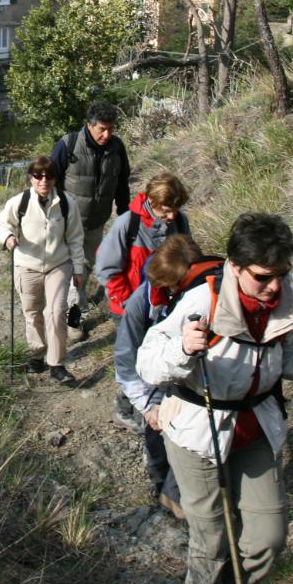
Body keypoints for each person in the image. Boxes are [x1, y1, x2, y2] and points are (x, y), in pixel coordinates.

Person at [137, 213, 293, 584]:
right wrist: (183, 348)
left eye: (282, 275)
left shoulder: (288, 300)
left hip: (254, 427)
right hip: (196, 430)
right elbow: (148, 364)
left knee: (268, 537)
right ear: (235, 267)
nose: (274, 286)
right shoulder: (201, 302)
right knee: (212, 537)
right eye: (264, 277)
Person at [113, 232, 206, 521]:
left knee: (190, 440)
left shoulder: (208, 293)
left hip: (193, 384)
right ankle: (162, 489)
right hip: (152, 385)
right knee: (157, 440)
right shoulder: (141, 305)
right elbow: (127, 364)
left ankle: (176, 496)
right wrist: (149, 406)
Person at [97, 171, 192, 433]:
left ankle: (145, 405)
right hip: (130, 308)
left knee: (157, 357)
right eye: (166, 210)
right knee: (135, 357)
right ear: (151, 200)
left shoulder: (180, 223)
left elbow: (188, 259)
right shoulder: (128, 224)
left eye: (175, 209)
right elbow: (106, 268)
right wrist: (128, 302)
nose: (171, 215)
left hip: (165, 307)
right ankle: (134, 409)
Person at [0, 155, 87, 386]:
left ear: (55, 178)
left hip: (58, 265)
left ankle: (57, 364)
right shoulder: (19, 201)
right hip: (26, 264)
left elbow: (75, 238)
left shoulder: (66, 202)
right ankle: (36, 354)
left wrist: (79, 269)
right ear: (31, 178)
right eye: (38, 175)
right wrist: (8, 238)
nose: (44, 180)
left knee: (56, 311)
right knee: (31, 312)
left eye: (49, 176)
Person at [50, 101, 131, 339]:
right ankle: (73, 321)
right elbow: (49, 180)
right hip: (67, 223)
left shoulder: (117, 148)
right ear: (89, 125)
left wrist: (125, 216)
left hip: (97, 221)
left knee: (84, 268)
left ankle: (73, 309)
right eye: (101, 130)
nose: (107, 135)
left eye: (111, 129)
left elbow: (122, 184)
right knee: (72, 269)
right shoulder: (69, 144)